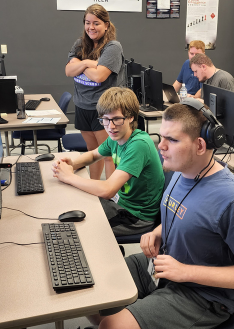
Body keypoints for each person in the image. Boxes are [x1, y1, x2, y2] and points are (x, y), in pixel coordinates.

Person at [91, 100, 234, 329]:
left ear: (200, 144)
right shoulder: (180, 171)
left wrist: (185, 272)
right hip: (165, 266)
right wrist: (157, 231)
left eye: (172, 140)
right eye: (161, 137)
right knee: (93, 295)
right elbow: (185, 216)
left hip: (202, 296)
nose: (161, 147)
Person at [52, 87, 164, 236]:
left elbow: (108, 190)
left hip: (137, 217)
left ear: (131, 117)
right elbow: (93, 155)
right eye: (105, 119)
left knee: (77, 229)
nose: (110, 127)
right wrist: (71, 164)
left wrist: (69, 177)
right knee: (75, 203)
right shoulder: (115, 137)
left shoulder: (139, 144)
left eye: (117, 119)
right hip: (121, 203)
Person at [65, 4, 124, 180]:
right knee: (93, 152)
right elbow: (68, 71)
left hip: (104, 109)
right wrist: (88, 63)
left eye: (96, 23)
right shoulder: (80, 44)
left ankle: (111, 194)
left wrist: (80, 64)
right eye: (88, 22)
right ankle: (95, 187)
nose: (91, 27)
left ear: (106, 24)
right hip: (82, 106)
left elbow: (99, 76)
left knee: (108, 154)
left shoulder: (113, 47)